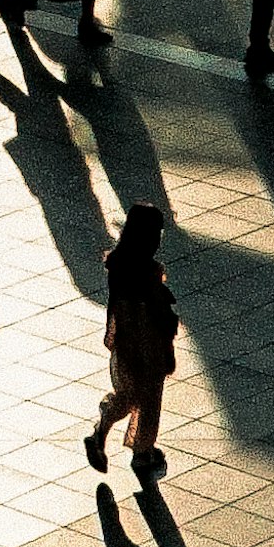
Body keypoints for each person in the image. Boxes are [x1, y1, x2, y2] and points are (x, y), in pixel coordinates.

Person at [86, 199, 181, 478]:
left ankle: (101, 433)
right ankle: (142, 453)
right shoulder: (147, 272)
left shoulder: (119, 266)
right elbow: (154, 315)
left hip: (126, 347)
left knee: (128, 397)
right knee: (149, 401)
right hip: (146, 348)